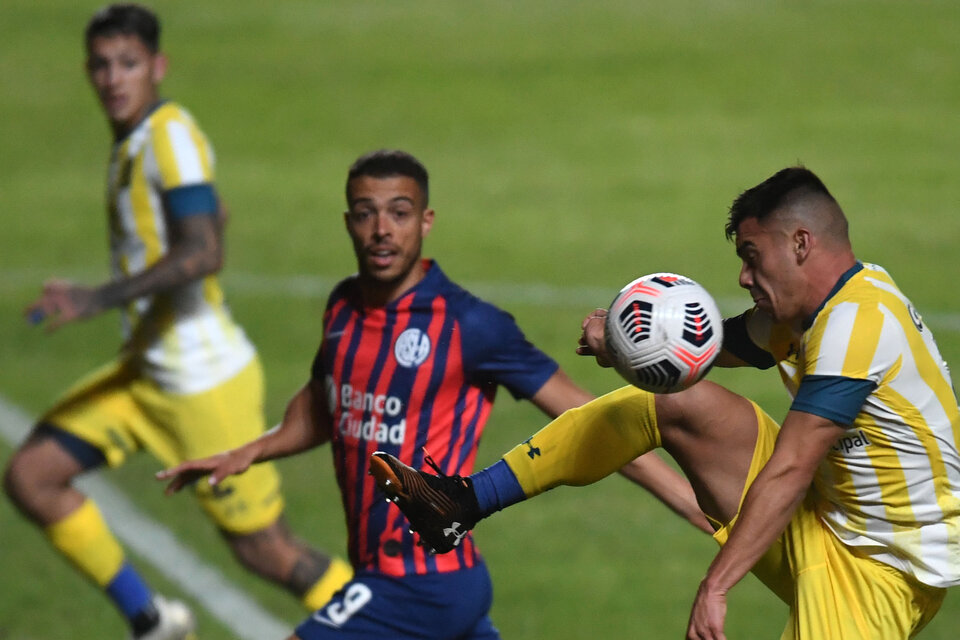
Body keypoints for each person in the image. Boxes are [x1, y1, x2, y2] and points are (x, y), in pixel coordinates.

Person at [369, 166, 960, 639]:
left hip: (882, 570)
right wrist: (624, 346)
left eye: (752, 257)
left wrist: (716, 586)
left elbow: (791, 467)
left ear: (801, 243)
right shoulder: (815, 308)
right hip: (826, 512)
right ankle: (463, 500)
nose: (743, 277)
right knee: (676, 404)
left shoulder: (857, 326)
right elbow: (710, 348)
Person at [158, 149, 712, 640]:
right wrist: (251, 450)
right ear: (348, 221)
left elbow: (592, 421)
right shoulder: (343, 307)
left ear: (425, 222)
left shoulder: (471, 326)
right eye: (365, 213)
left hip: (420, 582)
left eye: (399, 213)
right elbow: (331, 406)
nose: (382, 229)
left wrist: (694, 505)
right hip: (423, 581)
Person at [3, 5, 350, 639]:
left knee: (267, 551)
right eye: (102, 66)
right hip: (145, 374)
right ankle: (153, 622)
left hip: (200, 385)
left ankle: (390, 624)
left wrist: (96, 298)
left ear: (157, 67)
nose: (114, 78)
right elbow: (212, 215)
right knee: (33, 476)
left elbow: (203, 251)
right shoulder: (135, 139)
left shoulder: (169, 134)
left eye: (128, 63)